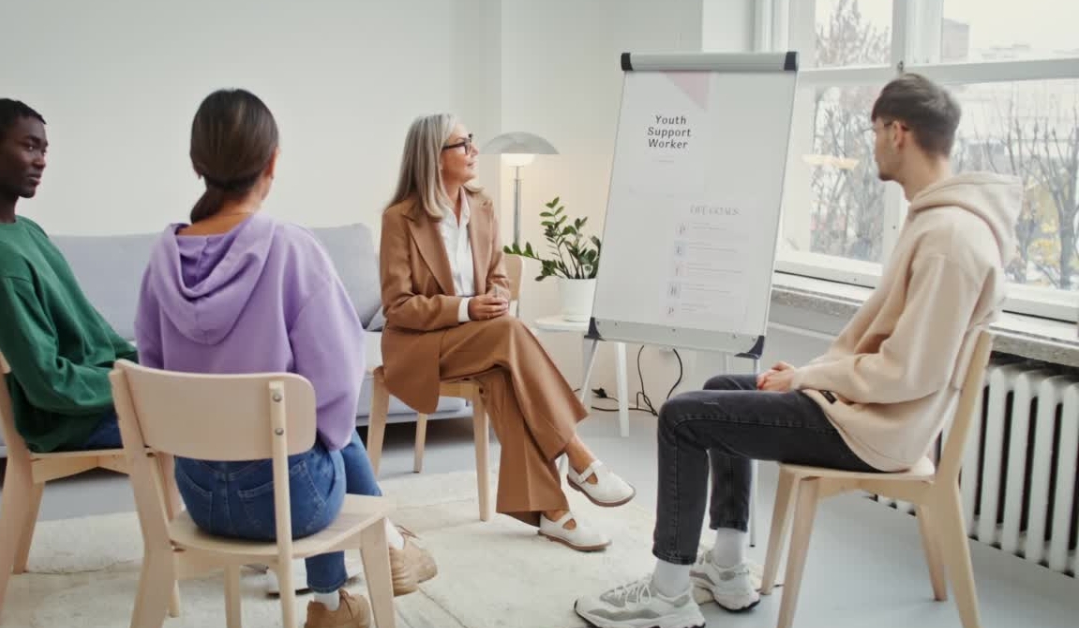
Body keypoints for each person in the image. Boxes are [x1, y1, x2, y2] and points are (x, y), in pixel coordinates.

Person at [575, 73, 1021, 628]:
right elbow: (897, 355)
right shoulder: (937, 222)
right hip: (865, 412)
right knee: (720, 390)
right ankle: (730, 565)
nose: (874, 143)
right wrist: (811, 374)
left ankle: (667, 594)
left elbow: (909, 372)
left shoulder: (950, 241)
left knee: (681, 417)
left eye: (875, 131)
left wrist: (809, 381)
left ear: (898, 131)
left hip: (872, 431)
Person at [133, 88, 435, 628]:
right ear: (273, 161)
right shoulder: (292, 250)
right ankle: (341, 589)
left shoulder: (161, 263)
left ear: (196, 164)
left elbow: (151, 378)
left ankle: (356, 581)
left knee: (307, 426)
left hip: (198, 497)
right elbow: (340, 379)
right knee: (323, 432)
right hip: (290, 503)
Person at [378, 114, 636, 552]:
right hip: (422, 347)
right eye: (463, 144)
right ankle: (577, 455)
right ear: (433, 157)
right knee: (509, 333)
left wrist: (493, 298)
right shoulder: (400, 219)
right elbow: (398, 307)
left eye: (471, 141)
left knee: (501, 376)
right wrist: (466, 307)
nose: (474, 151)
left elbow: (497, 276)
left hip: (481, 337)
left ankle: (552, 513)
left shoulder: (482, 206)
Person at [0, 98, 134, 453]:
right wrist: (137, 385)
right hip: (77, 419)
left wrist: (149, 368)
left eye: (44, 149)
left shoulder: (26, 231)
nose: (41, 160)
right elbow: (49, 383)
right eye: (29, 146)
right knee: (229, 419)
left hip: (103, 393)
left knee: (222, 392)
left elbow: (95, 331)